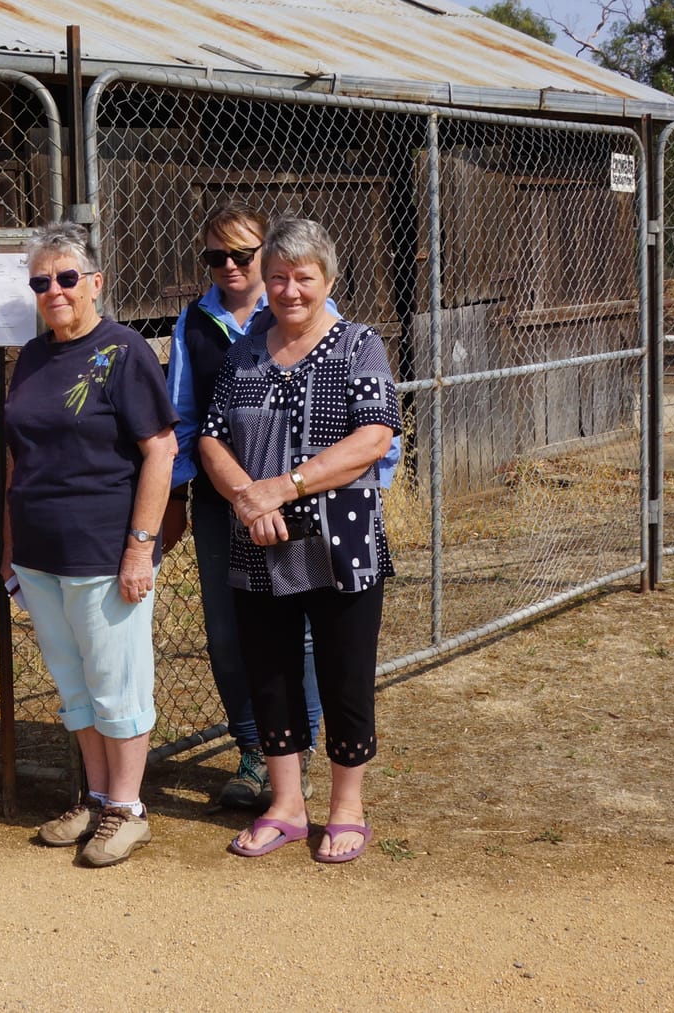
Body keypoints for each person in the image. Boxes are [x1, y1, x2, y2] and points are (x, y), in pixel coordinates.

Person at [199, 217, 400, 865]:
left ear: (329, 281)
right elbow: (209, 437)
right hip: (258, 542)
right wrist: (245, 496)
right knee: (272, 675)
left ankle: (347, 807)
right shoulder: (244, 353)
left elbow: (375, 437)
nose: (289, 290)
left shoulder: (358, 346)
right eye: (278, 276)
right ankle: (285, 805)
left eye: (303, 277)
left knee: (345, 676)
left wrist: (281, 487)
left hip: (340, 543)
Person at [1, 222, 177, 868]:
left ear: (95, 282)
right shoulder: (33, 355)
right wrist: (10, 544)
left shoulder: (123, 351)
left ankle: (128, 809)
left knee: (117, 683)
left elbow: (160, 449)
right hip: (41, 552)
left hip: (103, 548)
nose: (55, 290)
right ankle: (99, 795)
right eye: (42, 281)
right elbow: (19, 456)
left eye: (68, 277)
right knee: (75, 683)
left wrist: (140, 546)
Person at [162, 201, 324, 811]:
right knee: (227, 631)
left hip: (298, 498)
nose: (229, 266)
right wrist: (178, 494)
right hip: (219, 501)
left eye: (242, 254)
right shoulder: (194, 322)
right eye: (215, 256)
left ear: (267, 253)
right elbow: (182, 417)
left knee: (299, 626)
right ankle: (255, 749)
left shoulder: (303, 309)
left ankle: (299, 749)